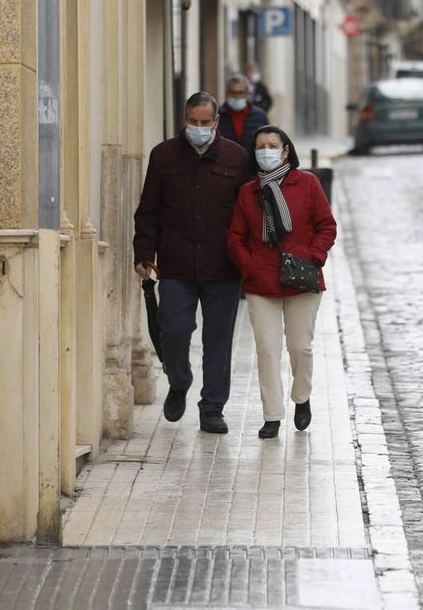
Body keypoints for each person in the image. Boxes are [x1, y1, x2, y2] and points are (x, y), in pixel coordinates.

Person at [133, 92, 253, 433]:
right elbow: (149, 209)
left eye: (205, 123)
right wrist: (144, 252)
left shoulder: (235, 157)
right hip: (176, 263)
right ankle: (179, 379)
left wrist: (246, 259)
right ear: (184, 120)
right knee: (172, 329)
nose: (199, 128)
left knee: (218, 339)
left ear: (216, 122)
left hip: (222, 267)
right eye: (193, 122)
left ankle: (212, 407)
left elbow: (247, 214)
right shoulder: (164, 156)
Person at [227, 125, 337, 440]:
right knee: (267, 349)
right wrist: (248, 265)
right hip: (261, 283)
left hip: (302, 277)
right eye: (260, 146)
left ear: (285, 150)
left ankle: (302, 397)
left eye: (272, 145)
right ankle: (272, 416)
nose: (266, 151)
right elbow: (235, 236)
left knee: (300, 347)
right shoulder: (248, 192)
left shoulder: (308, 183)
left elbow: (326, 226)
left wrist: (314, 257)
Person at [218, 74, 270, 155]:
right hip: (226, 164)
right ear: (227, 94)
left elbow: (267, 141)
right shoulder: (218, 115)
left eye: (240, 92)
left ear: (247, 94)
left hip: (251, 164)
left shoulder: (260, 116)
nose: (237, 96)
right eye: (233, 92)